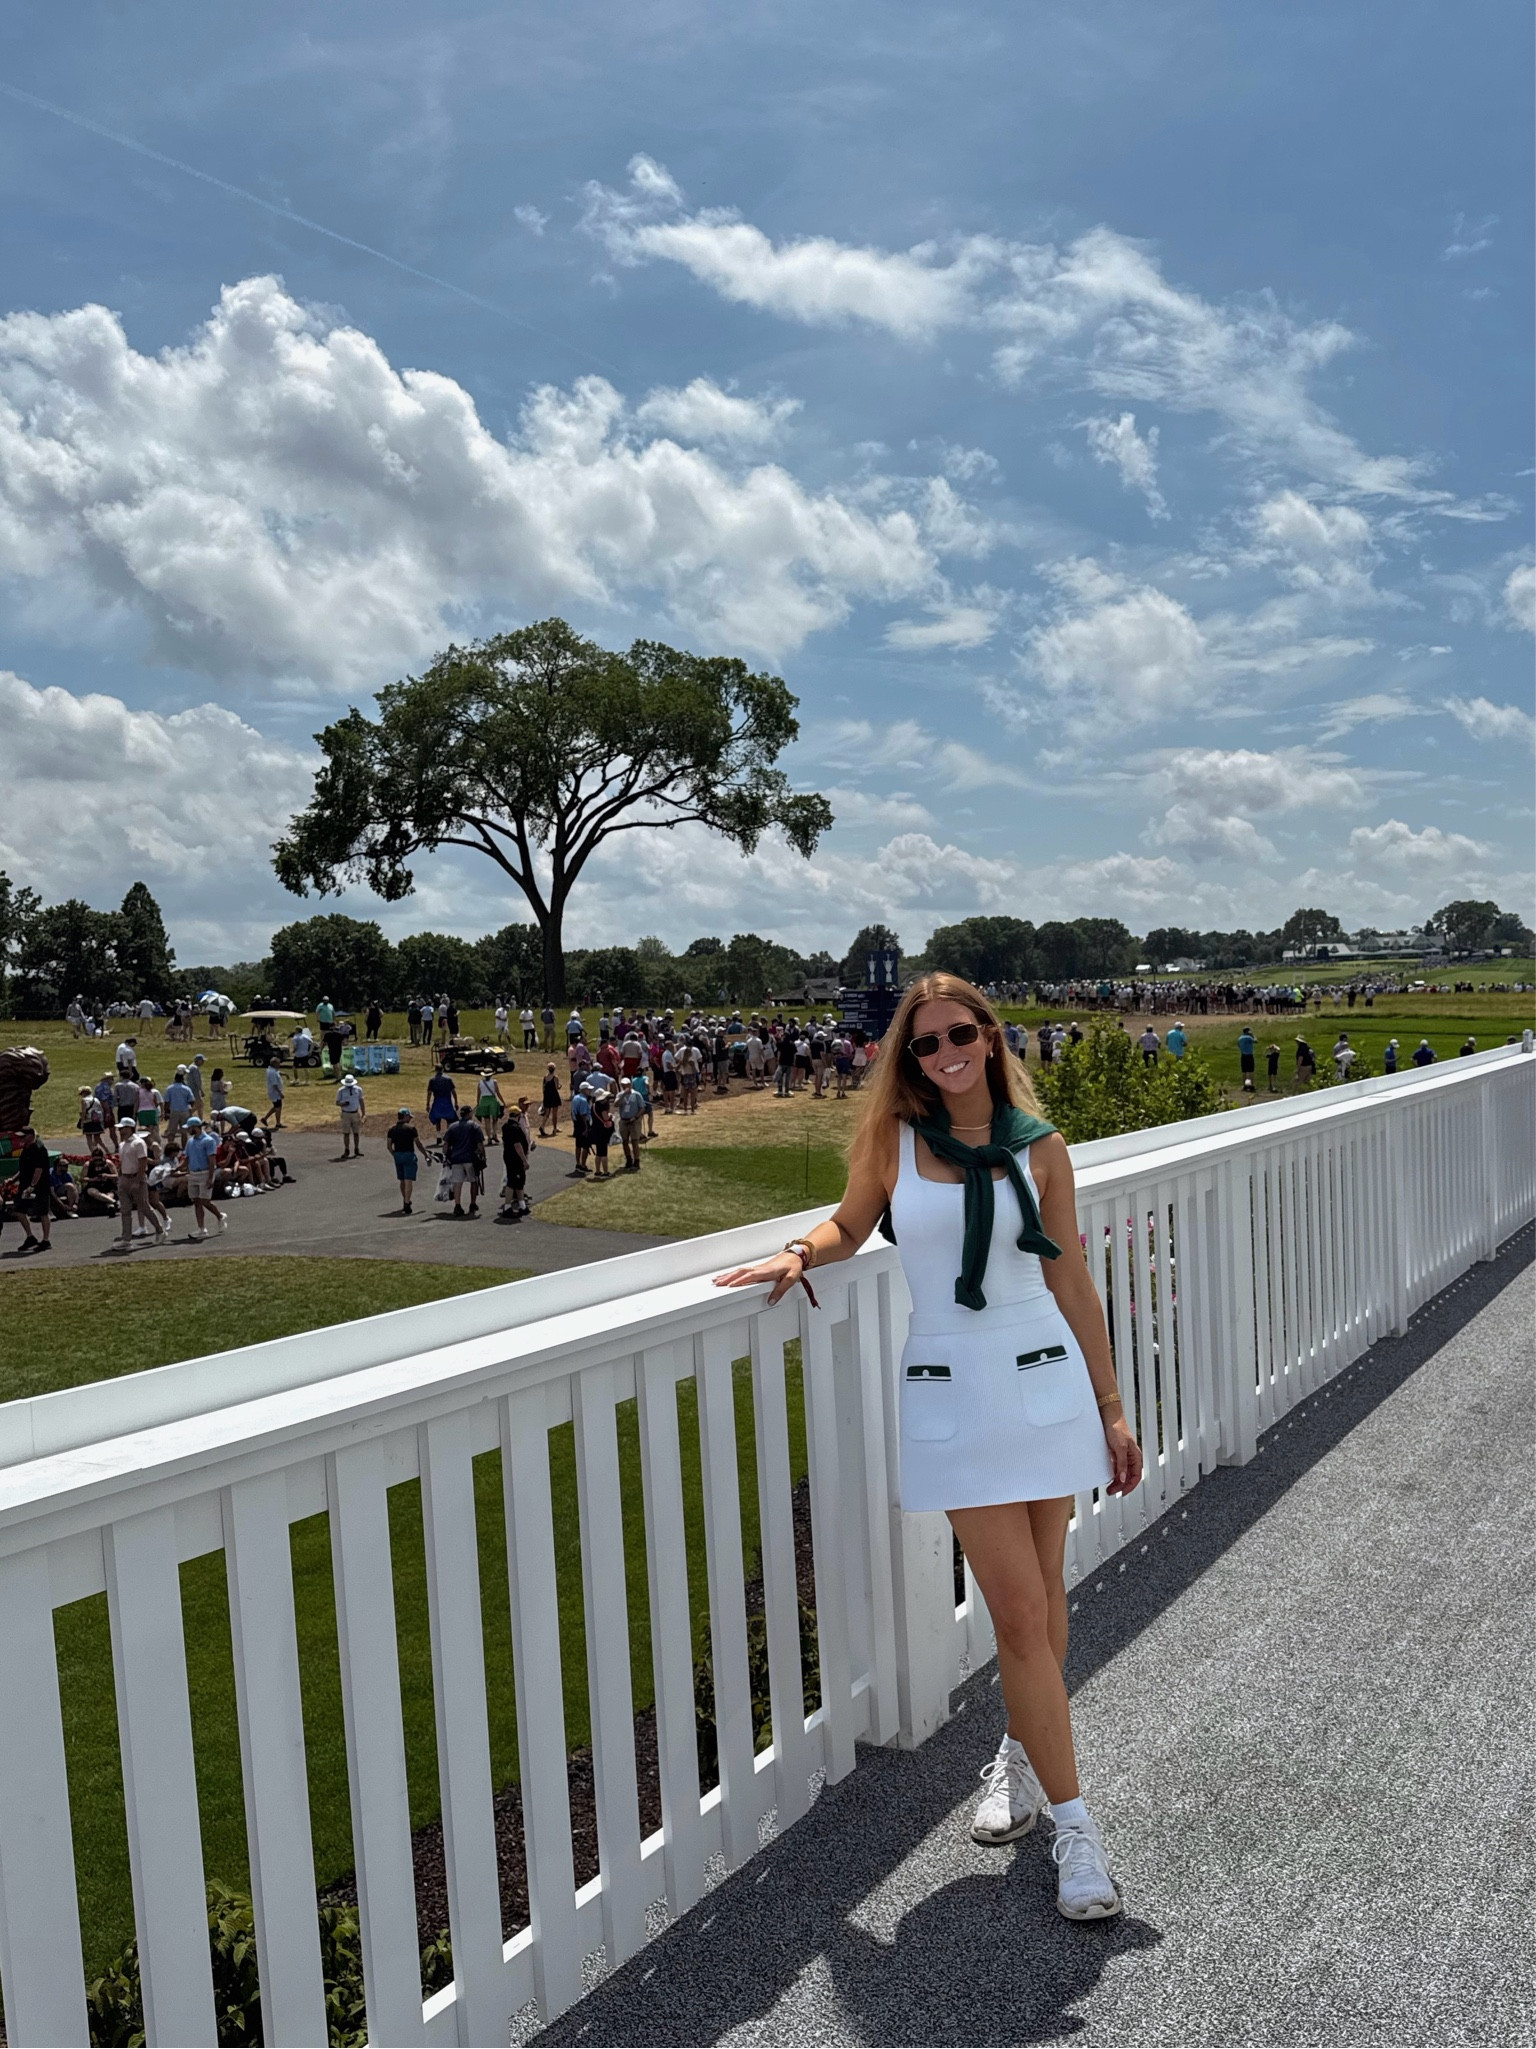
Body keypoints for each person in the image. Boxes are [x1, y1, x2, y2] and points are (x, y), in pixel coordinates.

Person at [715, 974, 1141, 1922]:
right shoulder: (895, 1143)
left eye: (960, 1031)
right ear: (908, 1057)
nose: (944, 1050)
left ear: (990, 1037)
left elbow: (1071, 1281)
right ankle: (1078, 1831)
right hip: (954, 1390)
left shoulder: (1044, 1149)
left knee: (1041, 1599)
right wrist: (800, 1251)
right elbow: (850, 1220)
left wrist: (1111, 1404)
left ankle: (1023, 1768)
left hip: (1045, 1382)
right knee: (1020, 1614)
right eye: (923, 1041)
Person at [112, 1118, 160, 1247]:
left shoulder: (138, 1143)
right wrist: (120, 1178)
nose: (120, 1130)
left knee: (144, 1207)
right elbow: (122, 1162)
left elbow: (143, 1161)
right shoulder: (122, 1145)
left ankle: (159, 1229)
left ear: (129, 1128)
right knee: (125, 1210)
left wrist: (138, 1180)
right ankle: (126, 1239)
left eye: (122, 1128)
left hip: (136, 1178)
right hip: (125, 1179)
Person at [10, 1128, 54, 1252]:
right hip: (25, 1186)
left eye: (23, 1136)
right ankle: (30, 1237)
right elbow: (24, 1169)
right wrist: (12, 1180)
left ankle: (46, 1241)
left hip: (39, 1187)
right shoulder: (25, 1149)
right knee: (18, 1210)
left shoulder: (39, 1150)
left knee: (42, 1213)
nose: (21, 1139)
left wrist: (32, 1186)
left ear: (31, 1136)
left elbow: (38, 1170)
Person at [182, 1117, 227, 1237]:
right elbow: (186, 1159)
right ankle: (201, 1229)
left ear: (195, 1127)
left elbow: (212, 1161)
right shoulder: (190, 1141)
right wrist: (176, 1169)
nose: (188, 1130)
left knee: (205, 1201)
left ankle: (220, 1216)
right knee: (196, 1201)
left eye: (189, 1128)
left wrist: (210, 1177)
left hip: (205, 1173)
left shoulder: (208, 1141)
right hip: (193, 1174)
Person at [385, 1108, 428, 1214]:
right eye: (409, 1117)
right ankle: (407, 1202)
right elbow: (418, 1143)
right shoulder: (411, 1129)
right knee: (408, 1180)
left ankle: (405, 1200)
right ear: (405, 1117)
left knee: (402, 1180)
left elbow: (389, 1145)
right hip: (409, 1154)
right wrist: (425, 1154)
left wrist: (394, 1154)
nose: (410, 1119)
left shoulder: (392, 1129)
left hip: (398, 1155)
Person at [444, 1106, 484, 1217]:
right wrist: (483, 1157)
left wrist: (446, 1155)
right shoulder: (474, 1126)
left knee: (457, 1182)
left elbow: (446, 1144)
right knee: (473, 1181)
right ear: (469, 1114)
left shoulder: (452, 1126)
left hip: (456, 1158)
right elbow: (480, 1144)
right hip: (470, 1158)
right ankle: (472, 1203)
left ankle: (457, 1205)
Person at [499, 1100, 531, 1217]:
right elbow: (518, 1145)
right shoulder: (515, 1128)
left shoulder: (505, 1127)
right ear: (517, 1116)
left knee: (518, 1181)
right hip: (515, 1158)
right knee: (514, 1182)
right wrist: (524, 1160)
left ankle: (522, 1205)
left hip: (508, 1156)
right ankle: (508, 1207)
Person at [617, 1077, 645, 1170]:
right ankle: (628, 1159)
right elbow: (616, 1104)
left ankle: (636, 1161)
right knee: (624, 1141)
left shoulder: (636, 1094)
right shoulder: (620, 1095)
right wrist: (623, 1095)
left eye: (626, 1085)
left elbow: (642, 1108)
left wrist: (636, 1117)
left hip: (634, 1121)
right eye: (623, 1085)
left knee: (634, 1141)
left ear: (630, 1085)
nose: (624, 1086)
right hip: (624, 1120)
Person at [335, 1072, 367, 1158]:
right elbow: (337, 1102)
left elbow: (361, 1101)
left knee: (356, 1132)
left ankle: (356, 1149)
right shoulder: (341, 1090)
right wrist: (343, 1103)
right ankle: (347, 1149)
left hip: (355, 1113)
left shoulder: (358, 1090)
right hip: (346, 1113)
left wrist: (364, 1113)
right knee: (346, 1133)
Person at [426, 1063, 458, 1135]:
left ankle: (438, 1135)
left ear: (435, 1070)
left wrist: (427, 1104)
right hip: (447, 1100)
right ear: (442, 1069)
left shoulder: (432, 1080)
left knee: (437, 1119)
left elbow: (429, 1093)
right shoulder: (448, 1079)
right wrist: (456, 1102)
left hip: (437, 1100)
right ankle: (449, 1134)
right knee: (449, 1118)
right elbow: (453, 1092)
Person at [589, 1090, 615, 1177]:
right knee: (603, 1153)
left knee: (598, 1153)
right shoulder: (602, 1106)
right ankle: (606, 1172)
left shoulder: (593, 1105)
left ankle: (597, 1171)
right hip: (602, 1131)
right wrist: (610, 1116)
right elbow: (606, 1118)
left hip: (595, 1130)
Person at [569, 1081, 592, 1173]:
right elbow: (583, 1115)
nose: (589, 1091)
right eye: (588, 1089)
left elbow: (572, 1112)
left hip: (576, 1123)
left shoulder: (575, 1098)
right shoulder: (583, 1100)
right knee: (586, 1146)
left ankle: (578, 1163)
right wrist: (586, 1128)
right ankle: (583, 1165)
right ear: (583, 1090)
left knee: (578, 1145)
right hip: (583, 1124)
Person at [540, 1062, 563, 1136]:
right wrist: (559, 1086)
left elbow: (543, 1088)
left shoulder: (545, 1077)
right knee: (554, 1114)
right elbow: (556, 1088)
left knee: (547, 1113)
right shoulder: (555, 1077)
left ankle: (542, 1126)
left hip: (547, 1096)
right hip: (554, 1096)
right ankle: (554, 1128)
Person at [263, 1059, 286, 1131]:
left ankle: (265, 1118)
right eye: (278, 1063)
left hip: (275, 1093)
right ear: (274, 1064)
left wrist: (285, 1074)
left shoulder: (273, 1070)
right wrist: (280, 1093)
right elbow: (274, 1084)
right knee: (278, 1107)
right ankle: (278, 1123)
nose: (279, 1065)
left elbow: (278, 1072)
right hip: (275, 1093)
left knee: (276, 1107)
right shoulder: (272, 1072)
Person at [1237, 1026, 1256, 1093]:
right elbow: (1255, 1041)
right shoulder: (1249, 1037)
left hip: (1243, 1055)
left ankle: (1244, 1085)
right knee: (1251, 1071)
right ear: (1248, 1031)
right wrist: (1253, 1035)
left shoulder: (1240, 1038)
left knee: (1244, 1071)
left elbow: (1239, 1045)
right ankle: (1252, 1085)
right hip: (1249, 1055)